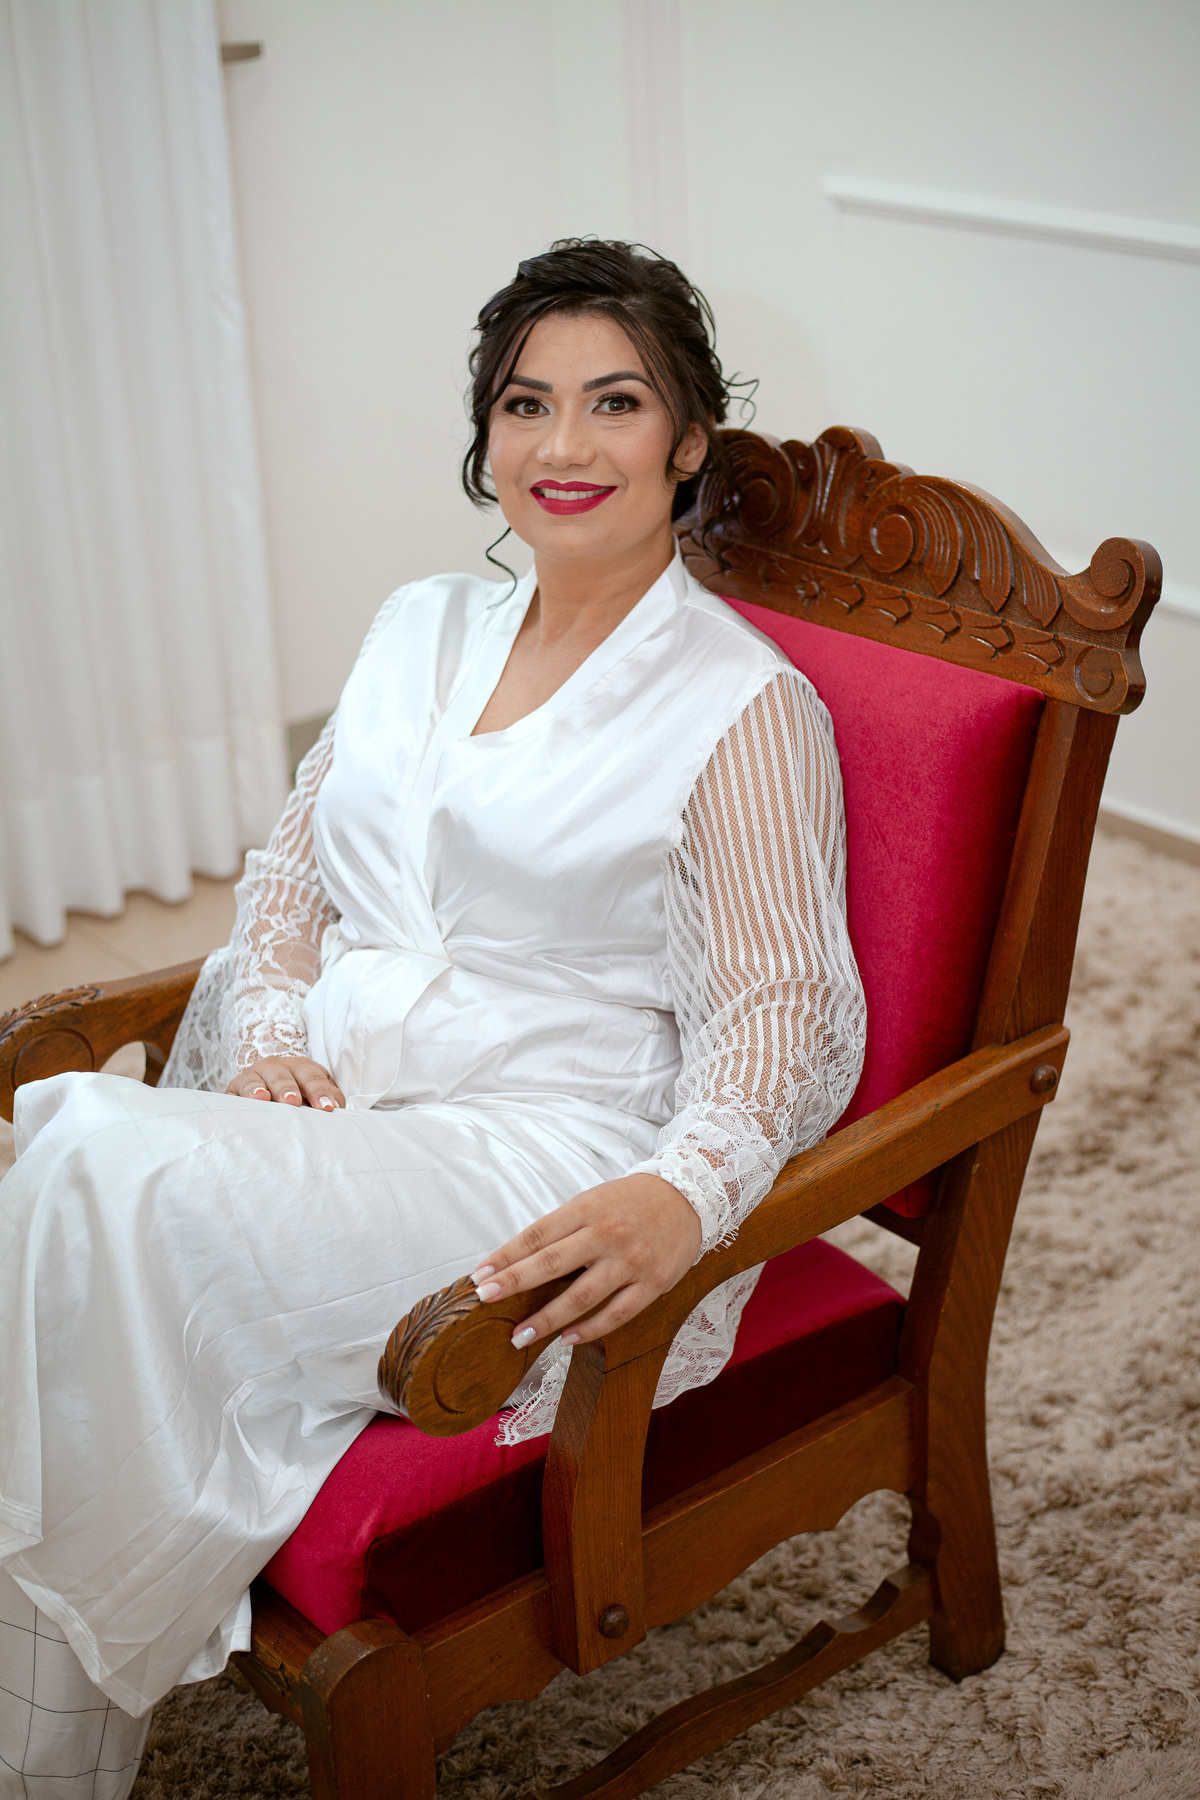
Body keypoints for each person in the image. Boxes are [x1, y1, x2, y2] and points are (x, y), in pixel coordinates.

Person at [0, 240, 865, 1797]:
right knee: (81, 1183)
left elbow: (782, 1009)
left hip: (531, 1148)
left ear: (688, 443)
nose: (563, 443)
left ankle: (44, 1742)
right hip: (343, 1100)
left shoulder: (741, 708)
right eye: (526, 404)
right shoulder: (418, 625)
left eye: (615, 403)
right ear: (487, 436)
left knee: (88, 1155)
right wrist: (270, 1031)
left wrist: (689, 1189)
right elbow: (293, 869)